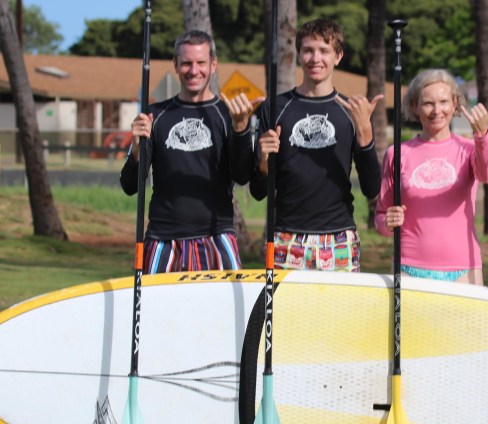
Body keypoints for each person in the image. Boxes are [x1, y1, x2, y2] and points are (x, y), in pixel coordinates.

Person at [120, 30, 263, 273]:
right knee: (159, 310)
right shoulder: (156, 115)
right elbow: (130, 186)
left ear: (213, 64)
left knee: (227, 311)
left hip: (217, 235)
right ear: (175, 65)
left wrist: (240, 130)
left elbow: (242, 177)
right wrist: (136, 149)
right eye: (186, 63)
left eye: (200, 63)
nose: (193, 70)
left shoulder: (227, 114)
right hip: (163, 238)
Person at [251, 18, 382, 272]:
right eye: (308, 50)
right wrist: (264, 162)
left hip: (338, 237)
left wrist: (365, 131)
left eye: (324, 50)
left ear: (338, 56)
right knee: (285, 313)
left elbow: (371, 187)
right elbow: (258, 191)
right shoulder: (275, 108)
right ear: (299, 54)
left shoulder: (351, 112)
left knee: (339, 313)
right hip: (286, 237)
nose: (315, 58)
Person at [373, 69, 488, 285]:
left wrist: (482, 136)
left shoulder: (469, 148)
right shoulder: (397, 153)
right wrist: (388, 223)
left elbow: (486, 174)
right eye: (428, 103)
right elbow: (380, 217)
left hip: (463, 269)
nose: (436, 110)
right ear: (415, 106)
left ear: (455, 105)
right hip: (408, 267)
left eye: (443, 102)